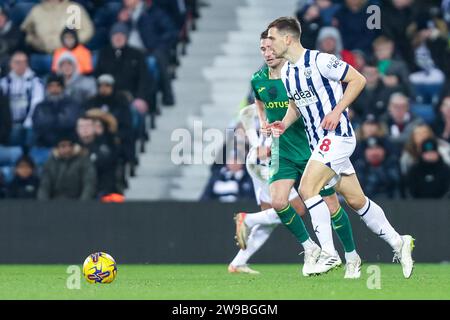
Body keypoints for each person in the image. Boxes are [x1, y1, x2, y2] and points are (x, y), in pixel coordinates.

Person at [266, 17, 414, 278]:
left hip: (338, 137)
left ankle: (329, 254)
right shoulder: (287, 72)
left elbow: (357, 79)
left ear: (288, 39)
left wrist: (337, 110)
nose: (269, 44)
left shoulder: (320, 60)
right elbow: (294, 106)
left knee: (306, 189)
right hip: (319, 144)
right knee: (357, 201)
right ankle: (399, 241)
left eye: (273, 39)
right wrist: (283, 125)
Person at [242, 30, 361, 278]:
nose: (268, 53)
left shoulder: (298, 75)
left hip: (310, 147)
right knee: (278, 201)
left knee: (331, 204)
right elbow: (259, 102)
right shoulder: (258, 79)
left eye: (271, 47)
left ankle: (351, 256)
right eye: (263, 49)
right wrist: (264, 122)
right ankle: (310, 248)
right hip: (281, 150)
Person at [117, 0, 178, 105]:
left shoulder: (152, 12)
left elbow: (170, 32)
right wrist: (122, 22)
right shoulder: (120, 13)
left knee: (155, 61)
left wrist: (158, 45)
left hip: (148, 51)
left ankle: (161, 97)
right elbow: (114, 34)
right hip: (126, 51)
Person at [31, 73, 82, 166]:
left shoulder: (72, 104)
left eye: (58, 86)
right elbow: (39, 126)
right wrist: (58, 119)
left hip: (68, 144)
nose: (54, 89)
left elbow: (70, 123)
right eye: (51, 86)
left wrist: (51, 121)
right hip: (45, 145)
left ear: (63, 88)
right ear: (47, 88)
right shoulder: (40, 106)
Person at [0, 51, 44, 147]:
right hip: (9, 123)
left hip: (29, 122)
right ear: (11, 64)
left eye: (24, 62)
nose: (21, 65)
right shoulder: (4, 83)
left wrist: (28, 121)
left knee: (27, 129)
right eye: (17, 62)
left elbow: (36, 103)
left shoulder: (35, 82)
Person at [21, 0, 94, 54]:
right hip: (43, 53)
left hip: (69, 54)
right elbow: (25, 31)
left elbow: (87, 30)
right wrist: (36, 42)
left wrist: (72, 41)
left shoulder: (74, 8)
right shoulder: (36, 10)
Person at [37, 136, 96, 200]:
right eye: (63, 146)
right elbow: (44, 186)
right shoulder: (50, 163)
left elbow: (89, 184)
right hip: (54, 204)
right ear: (57, 148)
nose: (67, 149)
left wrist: (83, 204)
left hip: (77, 203)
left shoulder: (84, 161)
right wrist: (44, 206)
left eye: (70, 145)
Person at [76, 115, 119, 197]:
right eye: (81, 126)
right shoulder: (71, 148)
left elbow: (105, 162)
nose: (84, 129)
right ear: (77, 129)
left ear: (94, 128)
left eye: (88, 126)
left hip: (102, 191)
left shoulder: (105, 145)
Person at [0, 5, 23, 75]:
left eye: (1, 16)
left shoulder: (14, 30)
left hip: (9, 59)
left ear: (6, 17)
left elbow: (12, 46)